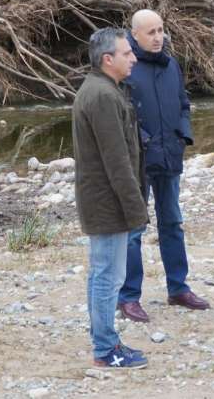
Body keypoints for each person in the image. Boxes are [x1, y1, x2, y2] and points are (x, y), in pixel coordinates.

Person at [117, 9, 210, 323]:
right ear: (135, 35)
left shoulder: (171, 65)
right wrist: (139, 141)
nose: (158, 37)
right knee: (133, 230)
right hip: (138, 160)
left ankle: (178, 288)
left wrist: (183, 134)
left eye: (160, 30)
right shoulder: (126, 67)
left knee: (172, 223)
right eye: (151, 32)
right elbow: (120, 113)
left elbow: (183, 103)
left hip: (170, 154)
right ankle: (128, 297)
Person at [73, 27, 149, 369]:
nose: (133, 59)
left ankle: (103, 340)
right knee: (108, 276)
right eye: (126, 53)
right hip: (107, 201)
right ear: (108, 59)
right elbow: (117, 160)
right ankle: (106, 350)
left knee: (101, 273)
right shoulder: (102, 95)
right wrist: (136, 211)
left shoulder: (102, 89)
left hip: (103, 199)